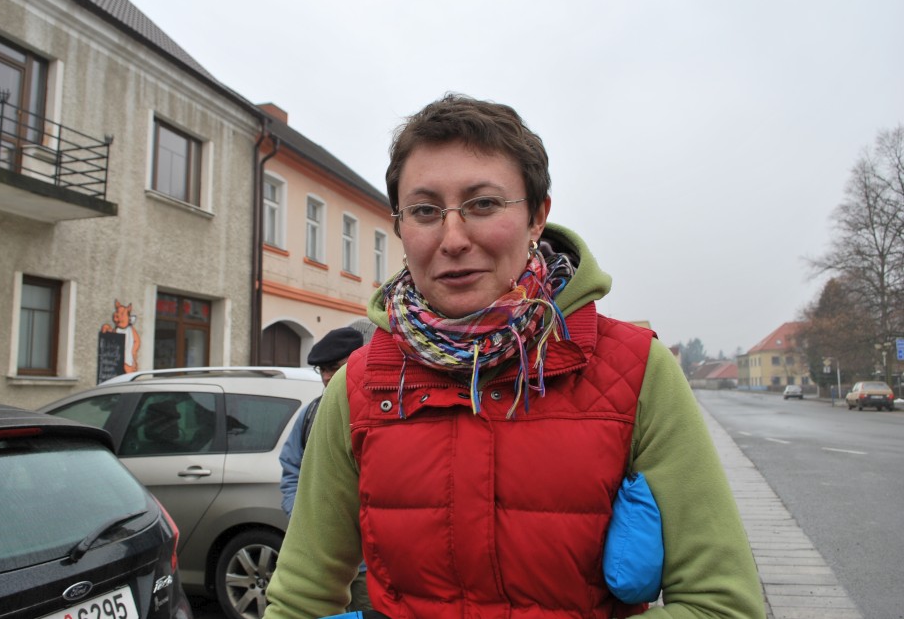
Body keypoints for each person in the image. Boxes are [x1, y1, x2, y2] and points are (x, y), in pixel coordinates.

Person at [265, 94, 765, 618]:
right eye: (425, 211)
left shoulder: (637, 371)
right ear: (401, 226)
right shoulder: (362, 386)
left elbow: (721, 605)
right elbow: (299, 601)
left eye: (483, 204)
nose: (453, 239)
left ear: (537, 217)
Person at [278, 326, 371, 612]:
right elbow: (291, 471)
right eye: (323, 370)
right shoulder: (310, 414)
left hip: (372, 567)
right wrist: (305, 517)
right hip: (325, 564)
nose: (328, 376)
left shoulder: (383, 411)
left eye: (335, 367)